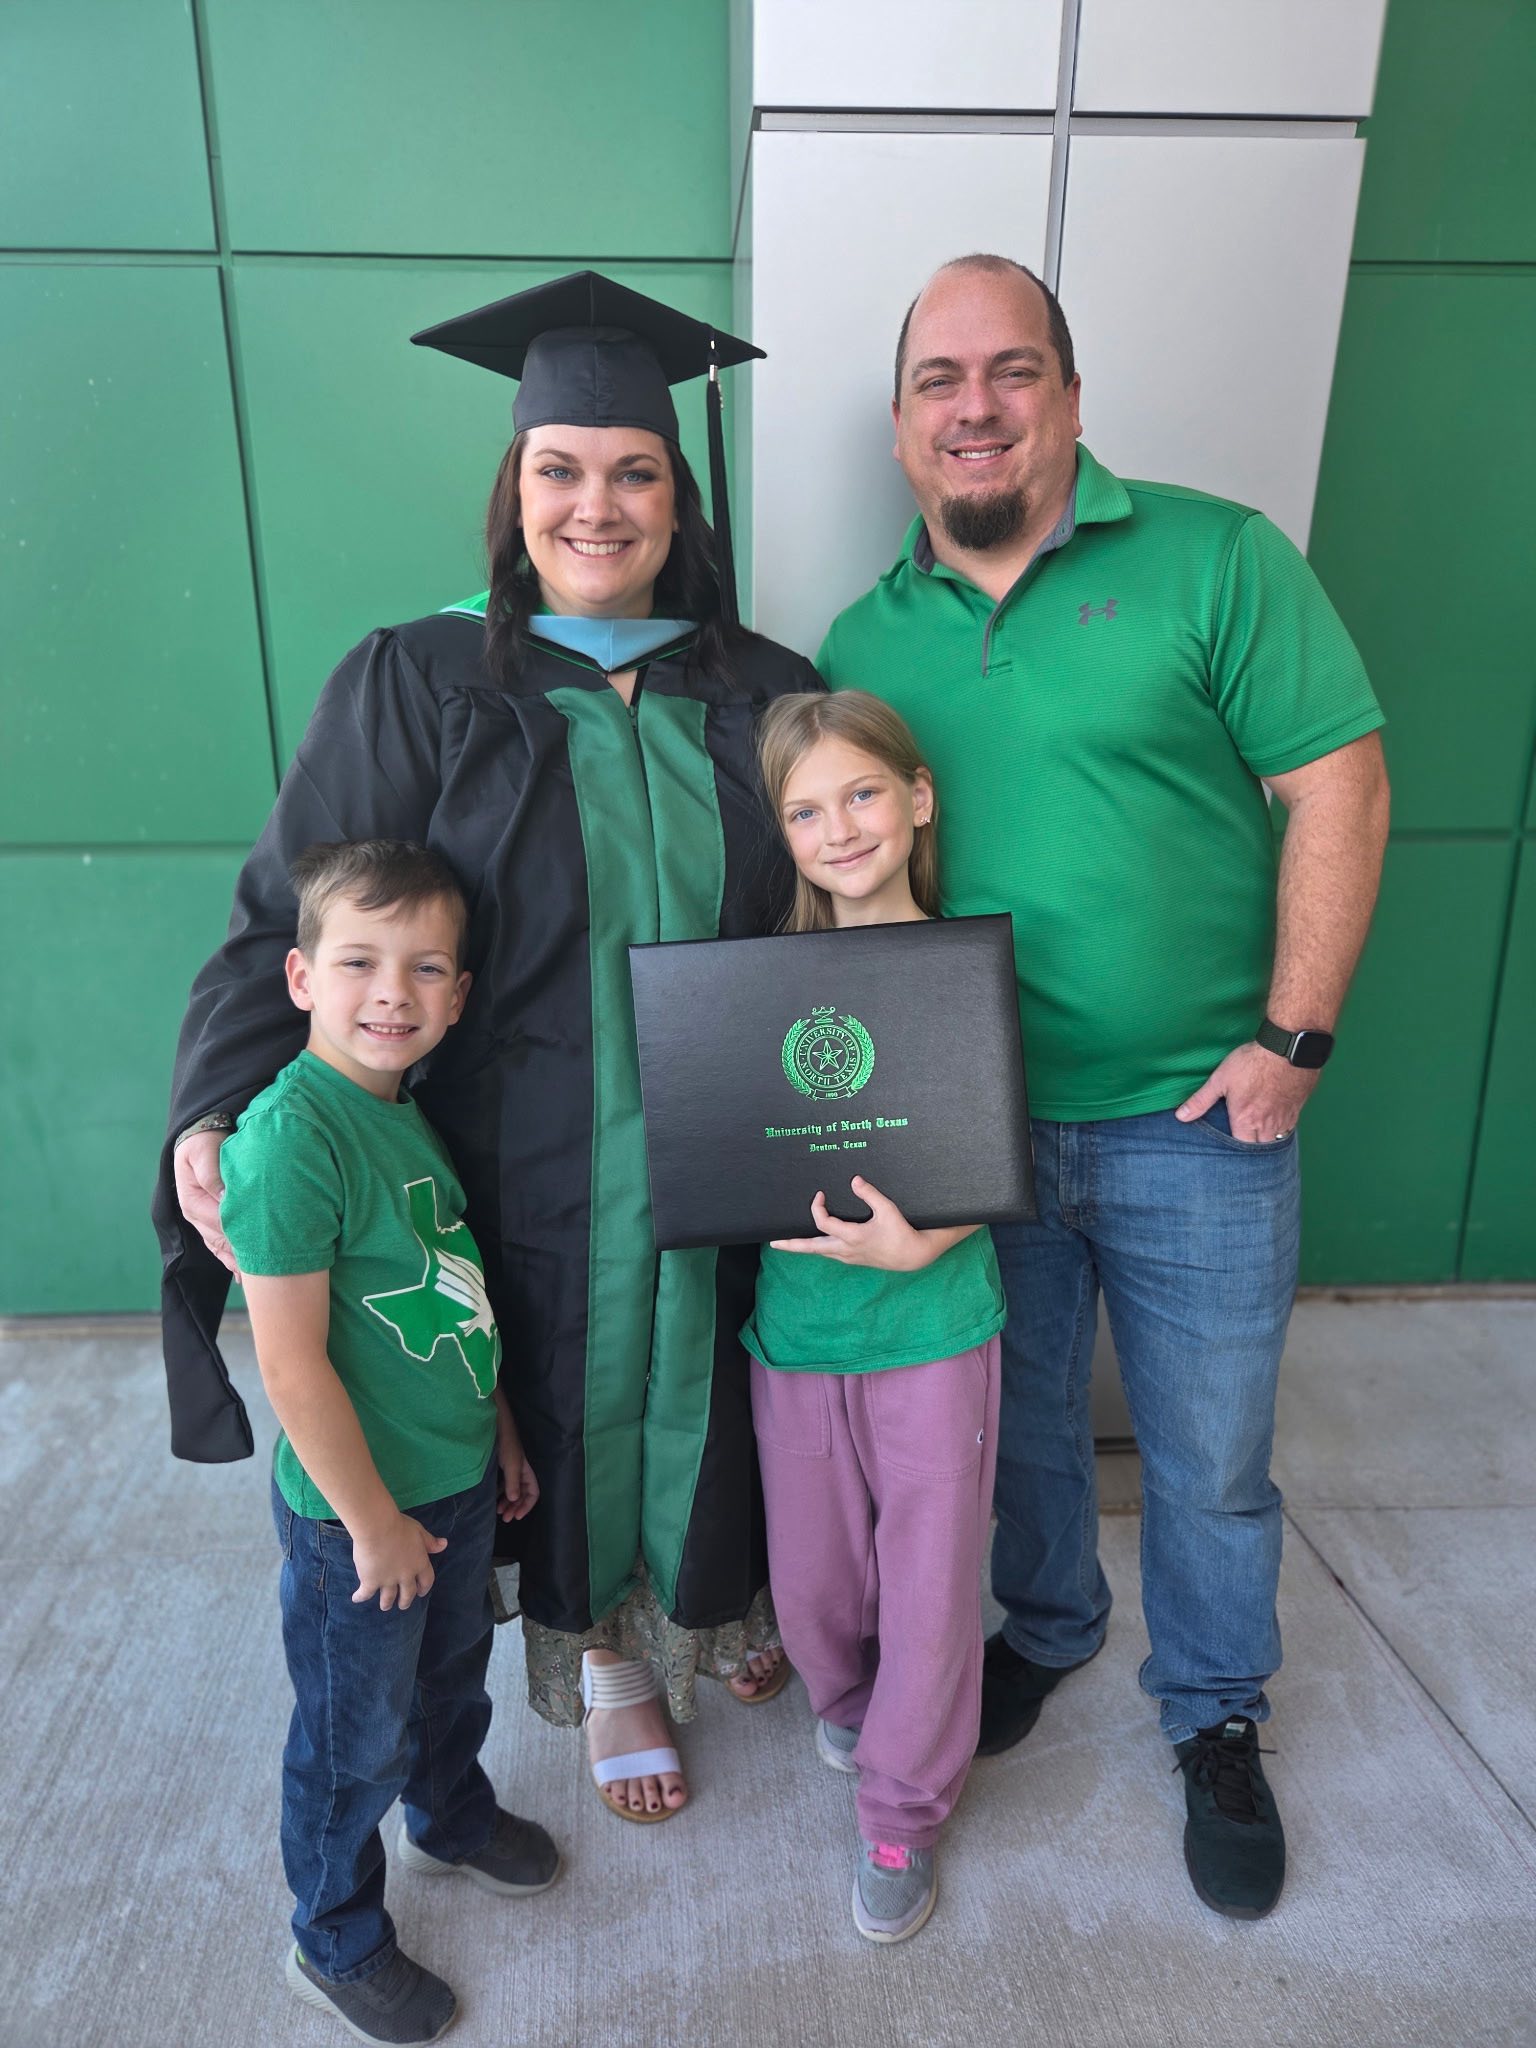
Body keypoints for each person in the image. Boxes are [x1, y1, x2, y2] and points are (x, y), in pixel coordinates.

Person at [153, 272, 822, 1829]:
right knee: (558, 1387)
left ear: (681, 495)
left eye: (636, 470)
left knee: (709, 1372)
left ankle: (710, 1598)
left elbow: (843, 916)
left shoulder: (765, 687)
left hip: (722, 1147)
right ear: (513, 488)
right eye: (560, 470)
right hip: (512, 1160)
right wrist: (212, 1102)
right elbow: (290, 917)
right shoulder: (418, 676)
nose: (598, 505)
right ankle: (606, 1658)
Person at [817, 254, 1390, 1920]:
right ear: (907, 420)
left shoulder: (1216, 558)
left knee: (1208, 1454)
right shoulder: (866, 632)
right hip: (972, 1129)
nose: (974, 406)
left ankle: (1213, 1710)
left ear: (1068, 396)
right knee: (1023, 1437)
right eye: (939, 380)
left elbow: (1338, 786)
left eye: (1009, 372)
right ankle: (1052, 1627)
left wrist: (1291, 1040)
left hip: (1195, 1125)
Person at [220, 839, 557, 2045]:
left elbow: (450, 1287)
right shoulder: (289, 1137)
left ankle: (452, 1815)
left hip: (454, 1485)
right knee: (350, 1738)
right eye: (360, 960)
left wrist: (501, 1431)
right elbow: (290, 1361)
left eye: (425, 968)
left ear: (459, 994)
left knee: (452, 1680)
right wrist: (371, 1522)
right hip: (356, 1519)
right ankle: (336, 1934)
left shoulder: (400, 1113)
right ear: (304, 975)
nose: (392, 993)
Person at [743, 690, 1006, 1944]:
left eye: (860, 792)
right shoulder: (759, 982)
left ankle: (904, 1804)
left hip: (934, 1324)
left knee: (931, 1577)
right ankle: (848, 1704)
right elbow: (725, 1135)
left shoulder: (966, 968)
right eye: (804, 808)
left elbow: (994, 1130)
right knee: (815, 1577)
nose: (837, 827)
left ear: (918, 795)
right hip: (796, 1328)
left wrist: (926, 1239)